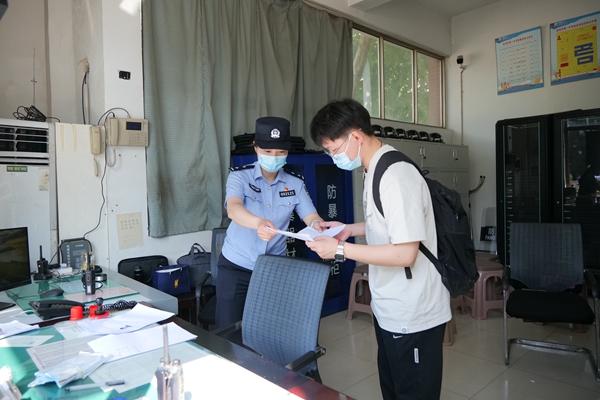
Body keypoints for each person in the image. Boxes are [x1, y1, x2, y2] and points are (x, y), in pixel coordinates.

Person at [307, 99, 450, 400]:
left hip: (413, 312)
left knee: (412, 393)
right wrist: (348, 229)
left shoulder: (395, 175)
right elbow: (386, 224)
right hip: (391, 307)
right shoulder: (373, 167)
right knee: (394, 389)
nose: (332, 157)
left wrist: (340, 250)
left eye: (333, 149)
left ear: (355, 137)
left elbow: (405, 253)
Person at [216, 116, 324, 328]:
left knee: (267, 329)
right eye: (267, 151)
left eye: (280, 152)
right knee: (228, 330)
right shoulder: (240, 177)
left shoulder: (295, 183)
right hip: (236, 266)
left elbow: (311, 216)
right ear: (255, 147)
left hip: (273, 269)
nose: (274, 157)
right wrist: (258, 223)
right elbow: (234, 209)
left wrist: (318, 225)